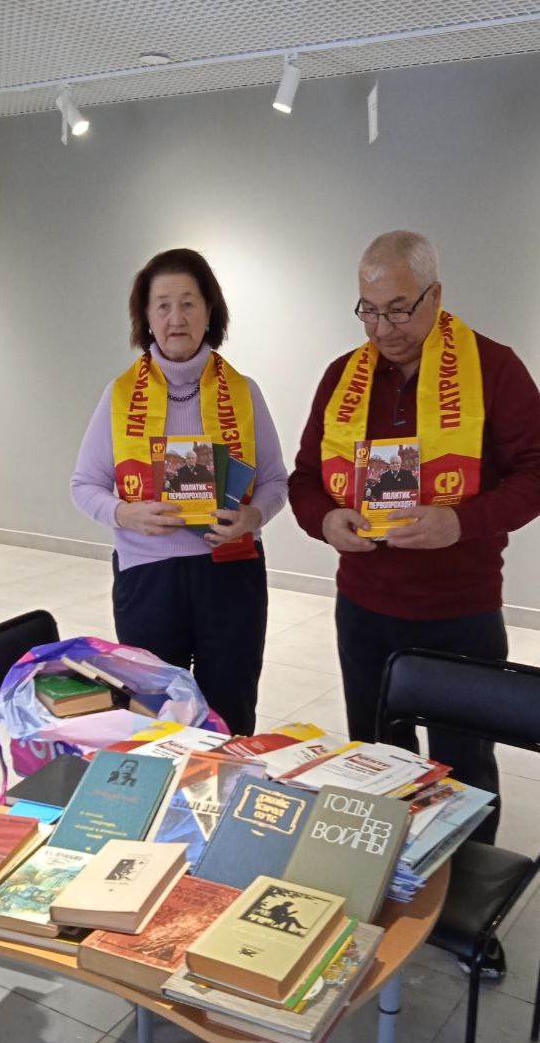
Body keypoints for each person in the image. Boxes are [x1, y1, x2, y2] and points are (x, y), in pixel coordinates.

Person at [289, 230, 540, 977]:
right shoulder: (344, 377)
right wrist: (326, 521)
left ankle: (466, 910)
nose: (382, 328)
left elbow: (536, 472)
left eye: (398, 308)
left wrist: (463, 521)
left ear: (435, 294)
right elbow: (305, 479)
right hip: (365, 606)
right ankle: (385, 889)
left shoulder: (493, 368)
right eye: (367, 310)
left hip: (460, 608)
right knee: (374, 754)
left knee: (464, 765)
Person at [71, 247, 288, 735]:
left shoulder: (244, 391)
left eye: (188, 303)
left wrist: (253, 517)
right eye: (163, 305)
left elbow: (276, 481)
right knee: (154, 719)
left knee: (230, 715)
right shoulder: (120, 394)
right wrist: (126, 514)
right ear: (146, 317)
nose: (176, 318)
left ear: (210, 311)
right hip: (148, 579)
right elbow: (84, 485)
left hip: (230, 575)